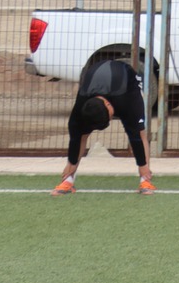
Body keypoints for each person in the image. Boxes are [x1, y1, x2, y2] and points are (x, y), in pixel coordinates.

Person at [54, 58, 154, 194]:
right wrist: (70, 163)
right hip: (95, 78)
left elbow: (136, 137)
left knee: (138, 132)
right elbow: (75, 136)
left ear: (108, 105)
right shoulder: (83, 101)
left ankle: (145, 180)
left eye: (110, 117)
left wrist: (142, 165)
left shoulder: (126, 100)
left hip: (126, 81)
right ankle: (68, 181)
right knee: (81, 132)